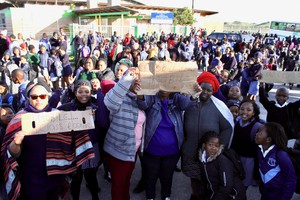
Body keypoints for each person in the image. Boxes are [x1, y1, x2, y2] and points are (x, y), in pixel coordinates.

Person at [1, 83, 95, 200]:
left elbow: (75, 136)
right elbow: (11, 154)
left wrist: (87, 119)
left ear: (48, 97)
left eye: (42, 96)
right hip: (32, 178)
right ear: (29, 98)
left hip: (55, 176)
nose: (38, 99)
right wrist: (16, 143)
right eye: (34, 97)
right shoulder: (19, 119)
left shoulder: (58, 115)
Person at [181, 72, 234, 200]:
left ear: (213, 91)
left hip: (210, 156)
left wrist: (220, 148)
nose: (205, 92)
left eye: (209, 90)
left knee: (209, 183)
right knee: (195, 182)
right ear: (197, 86)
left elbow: (228, 127)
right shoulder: (188, 103)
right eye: (202, 88)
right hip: (190, 152)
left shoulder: (219, 107)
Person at [137, 90, 195, 200]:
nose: (164, 89)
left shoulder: (177, 99)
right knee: (151, 177)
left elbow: (188, 105)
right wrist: (140, 90)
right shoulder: (152, 97)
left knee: (167, 177)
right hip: (152, 150)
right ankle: (150, 197)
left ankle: (166, 196)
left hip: (172, 151)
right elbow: (143, 103)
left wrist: (193, 94)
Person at [103, 68, 146, 200]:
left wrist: (141, 95)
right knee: (118, 185)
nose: (138, 81)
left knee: (126, 183)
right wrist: (127, 77)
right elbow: (109, 101)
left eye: (140, 79)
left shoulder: (142, 100)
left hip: (133, 151)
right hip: (118, 151)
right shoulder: (120, 96)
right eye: (135, 79)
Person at [58, 80, 100, 200]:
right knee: (76, 177)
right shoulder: (66, 108)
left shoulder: (96, 106)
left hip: (91, 146)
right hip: (74, 147)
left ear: (91, 92)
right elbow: (53, 116)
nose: (83, 94)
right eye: (80, 91)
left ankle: (95, 196)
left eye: (86, 91)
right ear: (75, 92)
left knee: (91, 175)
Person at [198, 131, 246, 200]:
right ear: (204, 145)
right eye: (210, 144)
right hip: (215, 192)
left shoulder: (222, 161)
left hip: (232, 195)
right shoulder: (202, 158)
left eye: (216, 146)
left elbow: (226, 186)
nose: (213, 148)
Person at [255, 122, 296, 200]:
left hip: (278, 195)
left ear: (268, 139)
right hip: (266, 191)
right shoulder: (260, 150)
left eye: (260, 133)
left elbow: (291, 180)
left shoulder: (281, 155)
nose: (256, 134)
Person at [231, 100, 264, 190]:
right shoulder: (236, 122)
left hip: (248, 162)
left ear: (254, 113)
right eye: (242, 109)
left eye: (249, 110)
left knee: (242, 186)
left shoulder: (258, 127)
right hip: (235, 159)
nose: (245, 112)